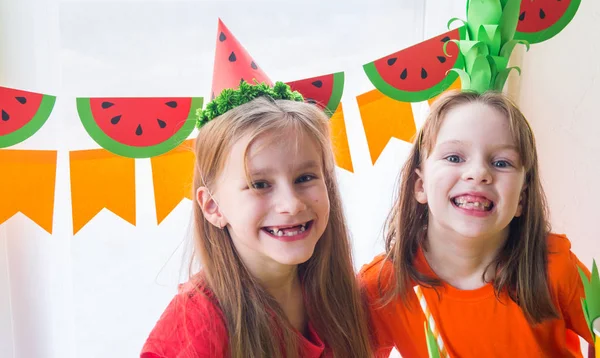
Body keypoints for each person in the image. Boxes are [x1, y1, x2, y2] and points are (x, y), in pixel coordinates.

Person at [142, 81, 373, 358]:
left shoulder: (341, 295)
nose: (291, 204)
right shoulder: (197, 323)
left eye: (305, 178)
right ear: (213, 206)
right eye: (259, 184)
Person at [359, 90, 594, 357]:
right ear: (421, 185)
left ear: (521, 198)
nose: (479, 173)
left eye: (501, 162)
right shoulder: (381, 287)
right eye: (454, 158)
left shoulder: (554, 267)